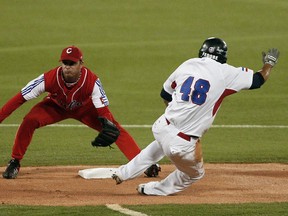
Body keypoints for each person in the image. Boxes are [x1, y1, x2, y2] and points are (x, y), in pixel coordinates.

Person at [110, 37, 280, 196]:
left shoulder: (188, 64)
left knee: (160, 144)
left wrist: (180, 111)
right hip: (181, 143)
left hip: (162, 125)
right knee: (194, 174)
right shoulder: (226, 73)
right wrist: (269, 63)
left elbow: (165, 94)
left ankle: (123, 173)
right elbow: (258, 80)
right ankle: (152, 189)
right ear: (223, 56)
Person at [0, 46, 160, 179]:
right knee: (30, 120)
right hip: (55, 108)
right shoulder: (47, 78)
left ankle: (144, 164)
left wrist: (107, 124)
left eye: (72, 63)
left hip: (85, 110)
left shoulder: (92, 81)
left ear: (81, 64)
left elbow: (103, 110)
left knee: (116, 130)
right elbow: (19, 98)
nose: (67, 66)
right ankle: (15, 161)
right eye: (65, 63)